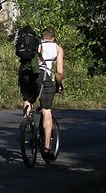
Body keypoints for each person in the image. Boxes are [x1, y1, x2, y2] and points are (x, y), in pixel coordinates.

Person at [37, 28, 65, 156]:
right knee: (47, 111)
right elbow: (59, 72)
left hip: (31, 78)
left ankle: (26, 124)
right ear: (53, 38)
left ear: (42, 37)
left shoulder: (35, 45)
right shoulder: (58, 49)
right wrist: (58, 85)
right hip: (46, 80)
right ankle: (47, 148)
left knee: (28, 101)